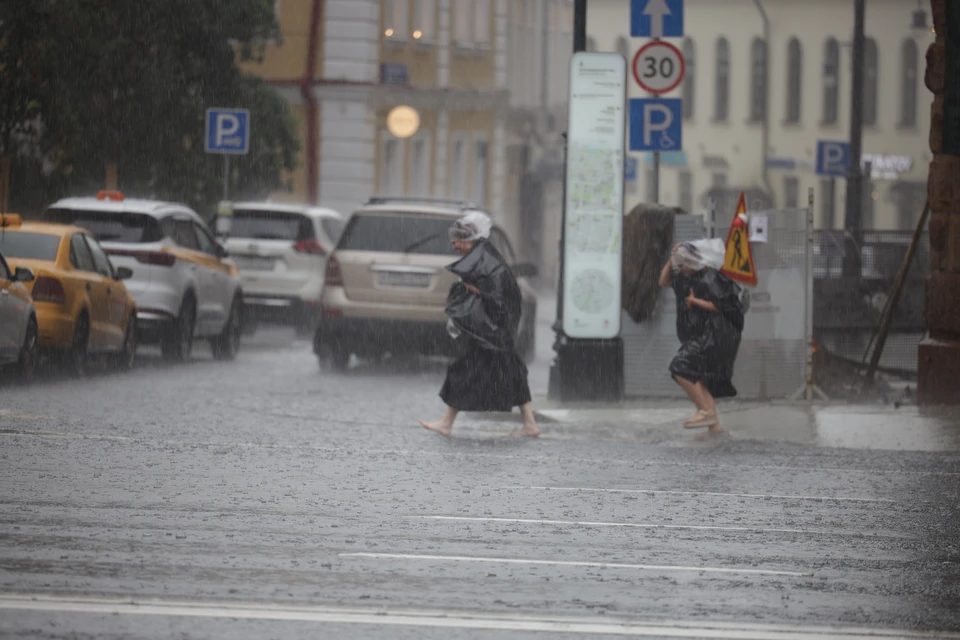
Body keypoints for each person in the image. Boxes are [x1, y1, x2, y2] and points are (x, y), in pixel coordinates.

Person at [420, 212, 540, 438]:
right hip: (492, 332)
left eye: (459, 239)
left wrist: (475, 290)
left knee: (467, 370)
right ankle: (529, 423)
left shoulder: (485, 262)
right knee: (509, 371)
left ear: (472, 238)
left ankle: (447, 423)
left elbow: (497, 296)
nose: (454, 245)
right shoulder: (482, 258)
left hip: (490, 333)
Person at [658, 242, 745, 433]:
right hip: (699, 336)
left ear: (693, 261)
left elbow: (724, 306)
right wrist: (671, 260)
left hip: (715, 336)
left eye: (683, 264)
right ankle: (714, 428)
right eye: (679, 265)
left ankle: (705, 412)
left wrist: (694, 301)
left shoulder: (710, 277)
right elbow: (663, 281)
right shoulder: (683, 276)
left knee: (680, 367)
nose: (680, 268)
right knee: (697, 377)